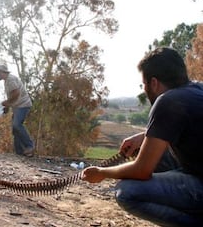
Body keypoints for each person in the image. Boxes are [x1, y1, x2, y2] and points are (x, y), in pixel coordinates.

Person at [82, 47, 203, 226]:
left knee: (127, 191)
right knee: (156, 155)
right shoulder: (196, 89)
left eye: (144, 84)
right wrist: (144, 136)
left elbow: (141, 170)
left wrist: (102, 173)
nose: (145, 90)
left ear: (153, 83)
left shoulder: (167, 101)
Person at [0, 61, 34, 157]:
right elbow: (13, 95)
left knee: (17, 125)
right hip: (18, 106)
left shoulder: (10, 79)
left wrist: (7, 102)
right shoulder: (7, 80)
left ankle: (29, 146)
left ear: (1, 72)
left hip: (23, 105)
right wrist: (8, 106)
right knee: (15, 129)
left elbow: (16, 94)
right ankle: (19, 152)